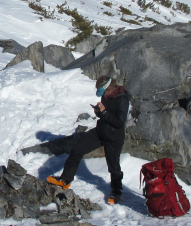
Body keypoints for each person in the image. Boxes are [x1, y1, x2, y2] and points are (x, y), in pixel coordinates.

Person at [47, 75, 130, 204]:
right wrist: (98, 111)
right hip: (100, 131)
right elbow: (104, 115)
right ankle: (65, 180)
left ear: (109, 88)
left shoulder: (122, 99)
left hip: (114, 138)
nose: (104, 95)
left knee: (113, 166)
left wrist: (105, 112)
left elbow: (120, 122)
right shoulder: (105, 96)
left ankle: (116, 191)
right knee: (77, 148)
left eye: (104, 92)